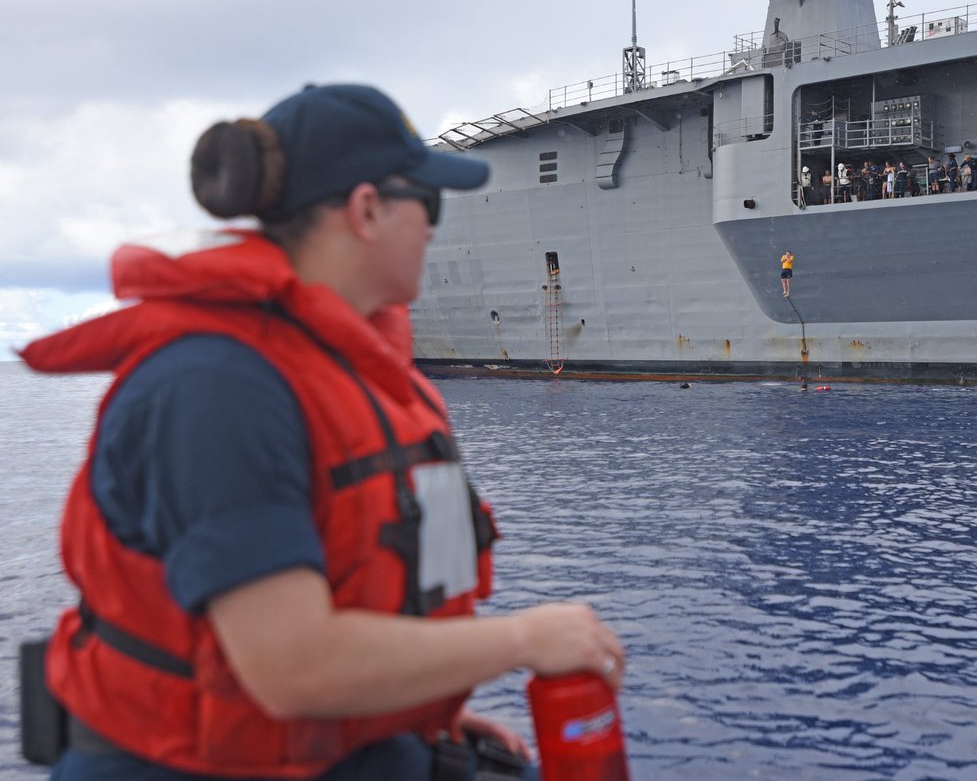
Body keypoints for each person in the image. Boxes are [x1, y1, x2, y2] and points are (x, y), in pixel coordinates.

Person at [19, 84, 625, 781]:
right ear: (367, 209)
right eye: (425, 203)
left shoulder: (337, 367)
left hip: (323, 748)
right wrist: (523, 637)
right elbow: (291, 667)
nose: (434, 227)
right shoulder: (218, 386)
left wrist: (415, 710)